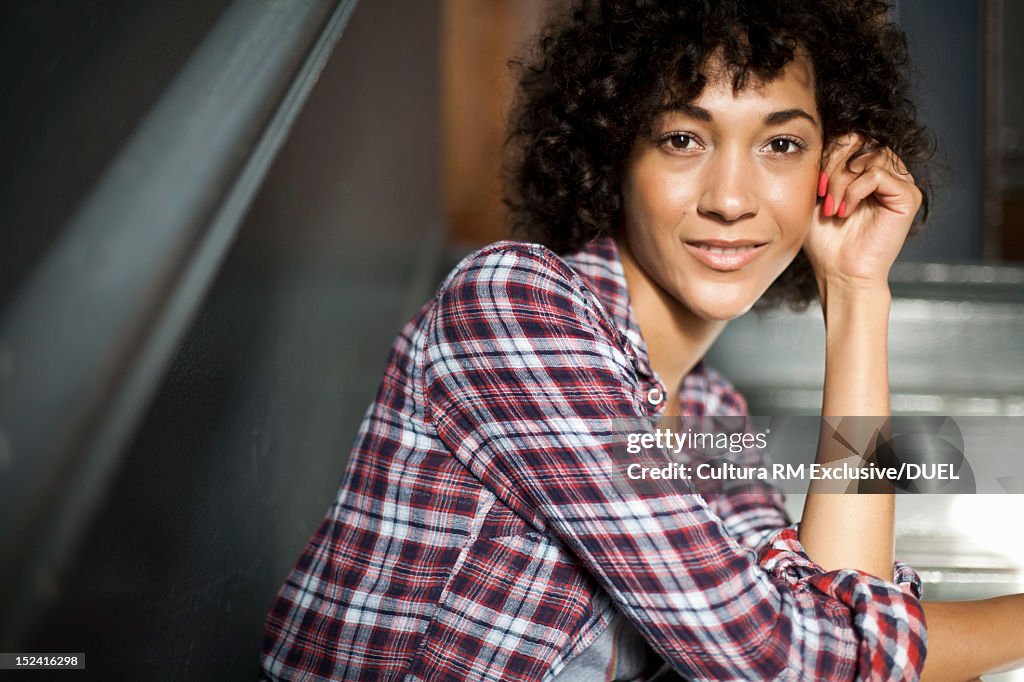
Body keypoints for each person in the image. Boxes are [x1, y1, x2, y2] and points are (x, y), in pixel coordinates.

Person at [260, 1, 1024, 680]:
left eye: (781, 146)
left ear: (831, 165)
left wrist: (857, 295)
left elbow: (833, 610)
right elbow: (782, 662)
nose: (730, 199)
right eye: (683, 139)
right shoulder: (514, 305)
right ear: (614, 151)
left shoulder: (710, 417)